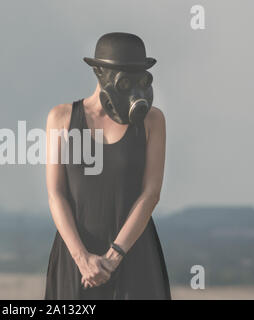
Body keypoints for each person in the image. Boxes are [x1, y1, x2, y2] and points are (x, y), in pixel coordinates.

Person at [44, 33, 171, 299]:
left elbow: (151, 194)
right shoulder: (62, 118)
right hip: (76, 260)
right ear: (100, 73)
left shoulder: (152, 120)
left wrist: (114, 257)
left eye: (139, 75)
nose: (134, 84)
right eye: (124, 76)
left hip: (134, 256)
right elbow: (56, 194)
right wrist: (82, 259)